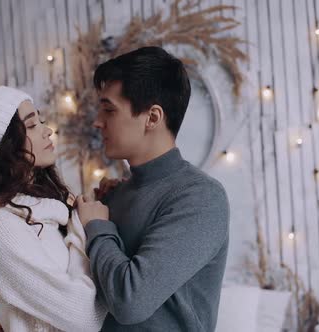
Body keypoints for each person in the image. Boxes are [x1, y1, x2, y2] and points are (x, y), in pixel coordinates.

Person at [77, 46, 230, 331]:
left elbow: (130, 301)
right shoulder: (114, 196)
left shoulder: (201, 198)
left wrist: (97, 226)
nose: (97, 122)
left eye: (109, 109)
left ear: (152, 117)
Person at [0, 86, 106, 331]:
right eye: (32, 125)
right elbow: (85, 316)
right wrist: (84, 226)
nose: (47, 131)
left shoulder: (47, 210)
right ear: (4, 145)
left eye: (41, 121)